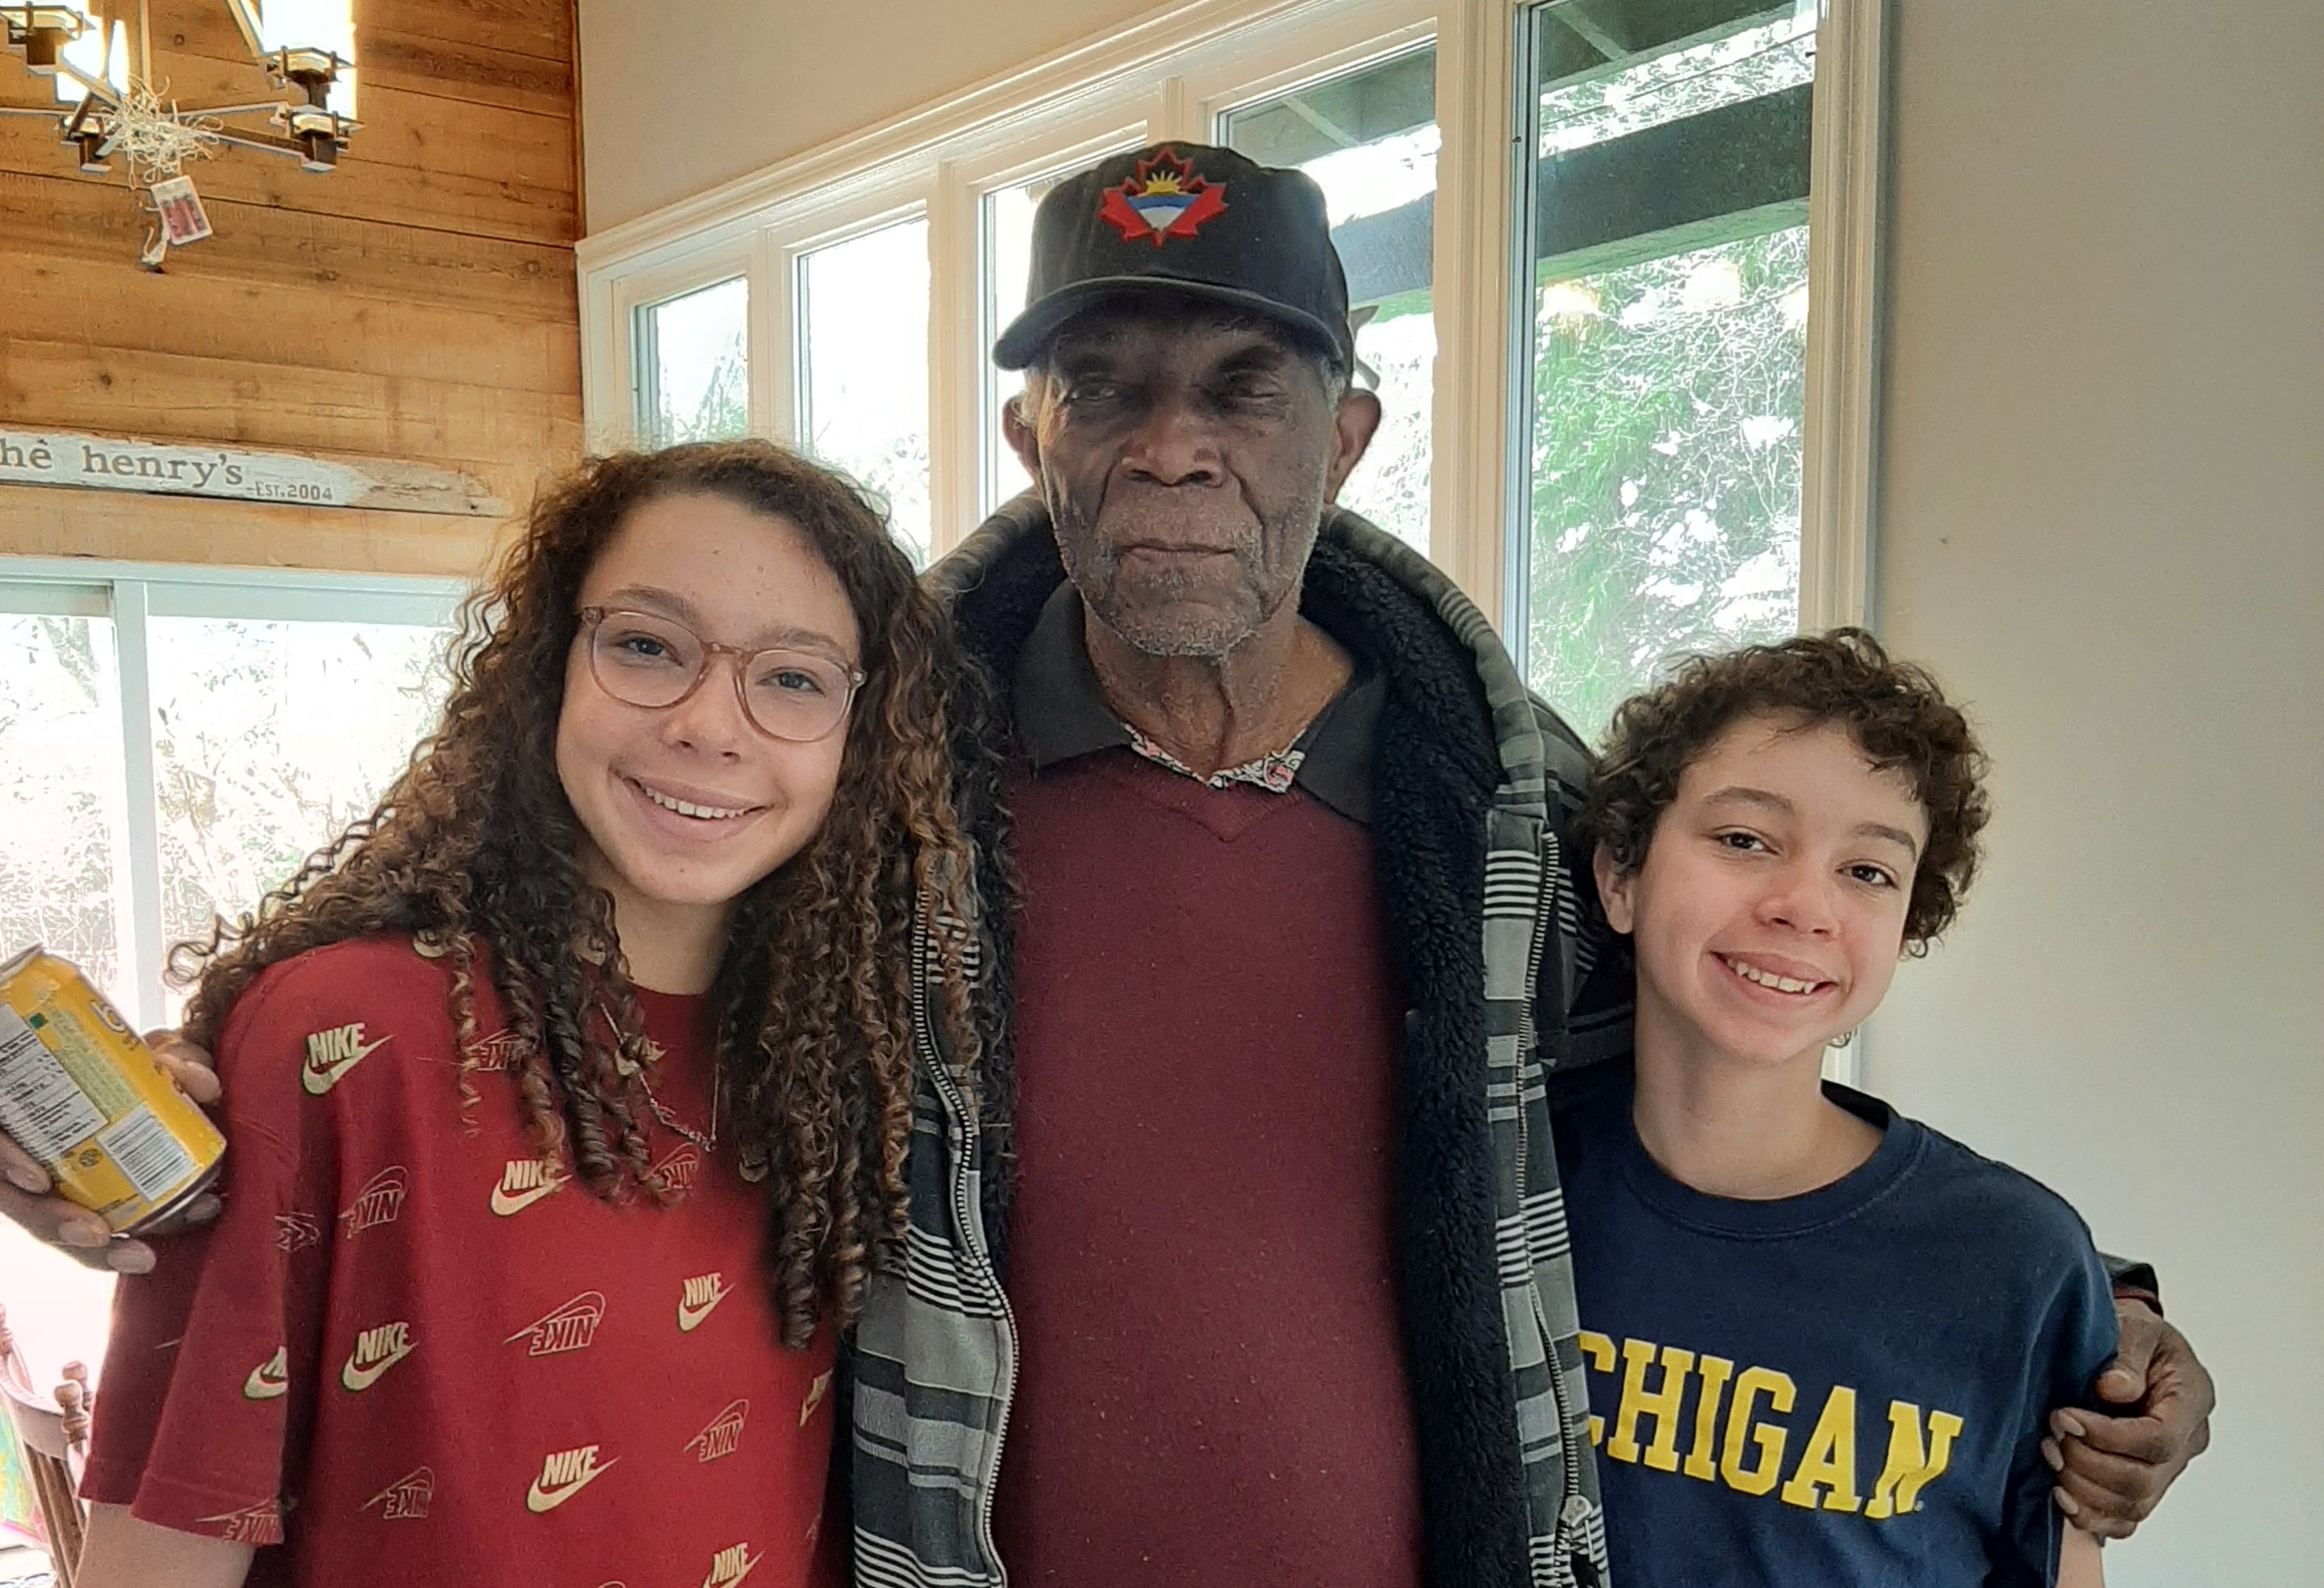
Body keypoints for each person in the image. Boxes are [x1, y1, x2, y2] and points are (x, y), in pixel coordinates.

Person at [1, 144, 2216, 1588]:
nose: (1174, 444)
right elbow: (567, 927)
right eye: (1110, 384)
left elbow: (1748, 1052)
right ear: (1025, 437)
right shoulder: (877, 795)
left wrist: (2083, 1323)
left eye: (1244, 390)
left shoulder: (1511, 816)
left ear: (1342, 439)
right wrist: (180, 1120)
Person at [44, 441, 989, 1588]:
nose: (708, 723)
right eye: (645, 646)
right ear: (550, 670)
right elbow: (164, 1556)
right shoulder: (335, 1038)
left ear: (863, 738)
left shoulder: (860, 1062)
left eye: (792, 678)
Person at [1556, 629, 2112, 1586]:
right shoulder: (1503, 1190)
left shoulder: (2018, 1262)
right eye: (1744, 839)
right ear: (1622, 876)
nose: (1805, 907)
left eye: (1868, 872)